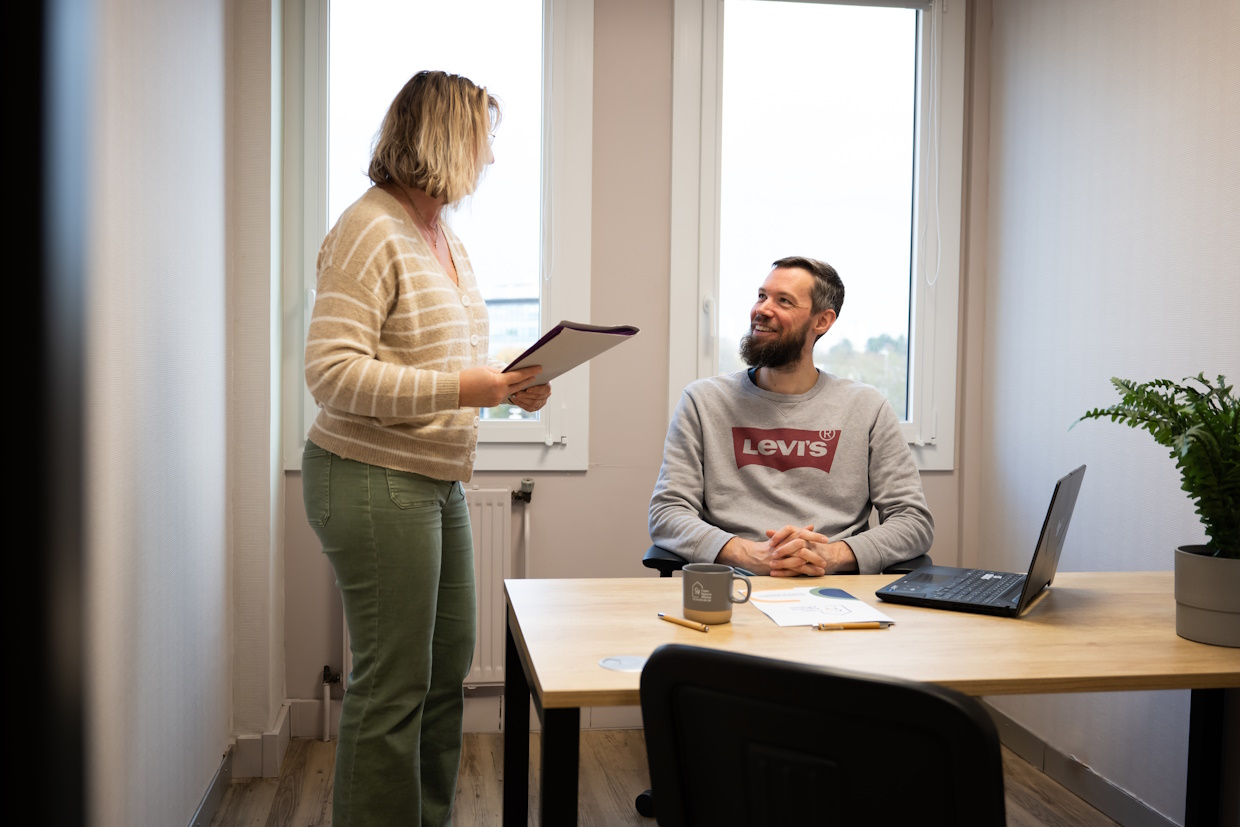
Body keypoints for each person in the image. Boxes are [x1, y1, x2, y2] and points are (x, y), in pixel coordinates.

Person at [300, 70, 550, 826]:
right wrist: (464, 388)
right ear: (445, 137)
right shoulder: (369, 226)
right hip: (370, 475)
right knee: (393, 682)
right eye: (485, 139)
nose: (492, 159)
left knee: (445, 676)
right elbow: (331, 372)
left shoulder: (442, 236)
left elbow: (436, 357)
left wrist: (508, 383)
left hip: (433, 478)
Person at [649, 256, 933, 576]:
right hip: (733, 584)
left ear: (822, 321)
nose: (762, 309)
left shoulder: (867, 408)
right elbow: (667, 513)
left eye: (783, 301)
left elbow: (913, 521)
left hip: (836, 588)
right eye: (761, 296)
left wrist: (833, 555)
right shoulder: (702, 401)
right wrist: (746, 553)